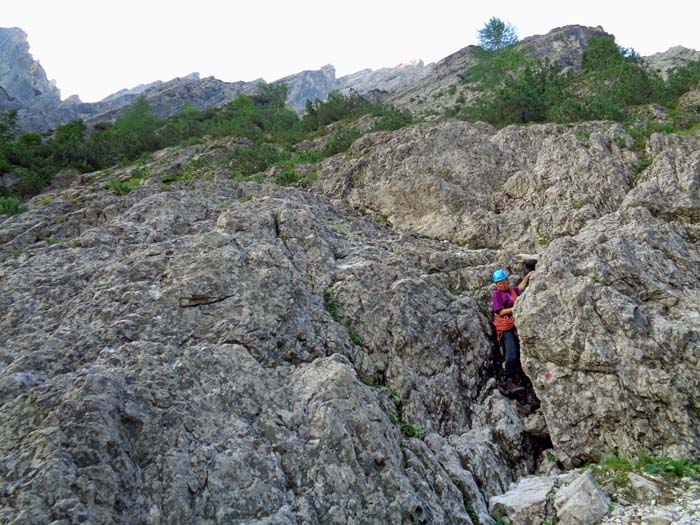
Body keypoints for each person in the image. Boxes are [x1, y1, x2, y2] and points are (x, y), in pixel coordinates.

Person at [491, 268, 534, 394]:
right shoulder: (497, 295)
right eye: (499, 283)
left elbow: (520, 288)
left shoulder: (511, 290)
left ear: (507, 281)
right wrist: (517, 307)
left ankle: (518, 380)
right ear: (497, 285)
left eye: (504, 282)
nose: (502, 285)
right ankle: (507, 382)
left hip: (515, 325)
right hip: (506, 328)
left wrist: (528, 276)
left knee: (518, 353)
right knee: (511, 354)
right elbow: (500, 311)